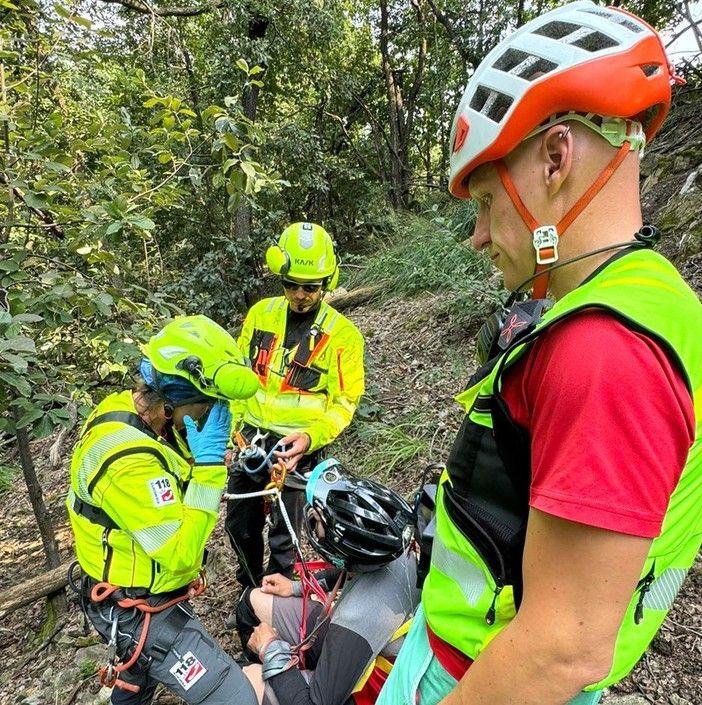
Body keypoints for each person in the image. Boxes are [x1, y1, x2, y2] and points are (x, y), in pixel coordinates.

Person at [377, 3, 702, 705]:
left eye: (485, 200)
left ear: (556, 157)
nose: (477, 235)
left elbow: (561, 649)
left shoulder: (605, 352)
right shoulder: (655, 299)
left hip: (477, 679)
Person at [66, 315, 261, 705]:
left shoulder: (131, 410)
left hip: (130, 592)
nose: (212, 416)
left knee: (135, 682)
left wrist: (205, 454)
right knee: (237, 697)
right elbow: (181, 554)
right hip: (136, 608)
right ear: (170, 405)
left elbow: (166, 468)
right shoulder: (126, 461)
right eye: (206, 408)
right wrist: (208, 470)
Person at [225, 222, 365, 589]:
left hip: (298, 447)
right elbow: (238, 380)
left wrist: (310, 438)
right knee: (239, 526)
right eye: (291, 285)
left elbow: (345, 401)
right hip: (250, 439)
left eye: (310, 287)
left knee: (284, 534)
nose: (300, 295)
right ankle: (250, 587)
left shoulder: (343, 336)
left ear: (327, 283)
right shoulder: (261, 315)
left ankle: (278, 592)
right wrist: (230, 435)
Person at [235, 459, 420, 705]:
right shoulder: (397, 546)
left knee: (245, 680)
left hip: (360, 685)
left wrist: (270, 648)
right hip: (362, 645)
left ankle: (267, 675)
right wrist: (296, 587)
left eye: (317, 522)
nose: (314, 524)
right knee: (252, 602)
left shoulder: (355, 617)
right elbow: (355, 571)